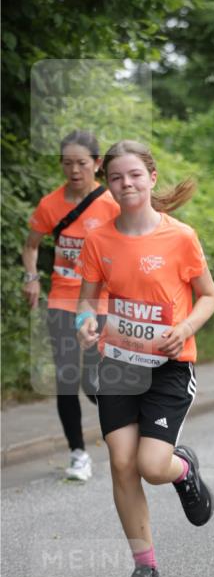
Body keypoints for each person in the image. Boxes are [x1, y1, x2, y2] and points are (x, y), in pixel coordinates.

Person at [77, 140, 214, 577]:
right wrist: (85, 325)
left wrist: (186, 326)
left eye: (134, 175)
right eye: (116, 177)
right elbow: (87, 300)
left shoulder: (180, 236)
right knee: (121, 464)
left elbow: (208, 296)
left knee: (152, 466)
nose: (126, 184)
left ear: (151, 177)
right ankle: (146, 570)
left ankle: (184, 471)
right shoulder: (99, 239)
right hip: (118, 363)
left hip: (169, 365)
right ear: (107, 184)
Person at [23, 129, 119, 481]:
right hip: (63, 301)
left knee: (94, 380)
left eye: (81, 163)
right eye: (67, 163)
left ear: (96, 164)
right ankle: (78, 453)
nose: (74, 170)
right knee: (67, 378)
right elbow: (32, 246)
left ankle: (127, 431)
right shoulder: (50, 204)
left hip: (101, 301)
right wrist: (31, 278)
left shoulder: (112, 203)